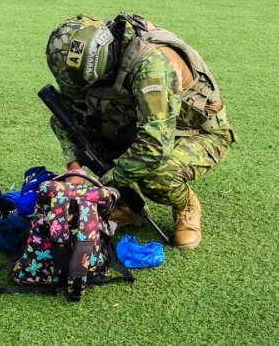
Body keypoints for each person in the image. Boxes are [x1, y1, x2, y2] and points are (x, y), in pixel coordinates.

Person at [44, 13, 236, 249]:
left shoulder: (152, 67)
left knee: (157, 176)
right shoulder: (96, 51)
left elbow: (154, 148)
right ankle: (127, 206)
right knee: (78, 127)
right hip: (143, 122)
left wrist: (105, 184)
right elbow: (66, 112)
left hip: (197, 133)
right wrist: (75, 168)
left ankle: (186, 205)